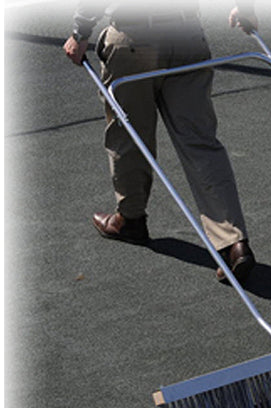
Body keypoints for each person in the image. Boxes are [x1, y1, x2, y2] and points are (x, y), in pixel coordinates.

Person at [63, 2, 258, 283]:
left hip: (134, 36)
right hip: (187, 34)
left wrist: (80, 33)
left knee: (129, 133)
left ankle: (130, 219)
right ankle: (233, 243)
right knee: (200, 143)